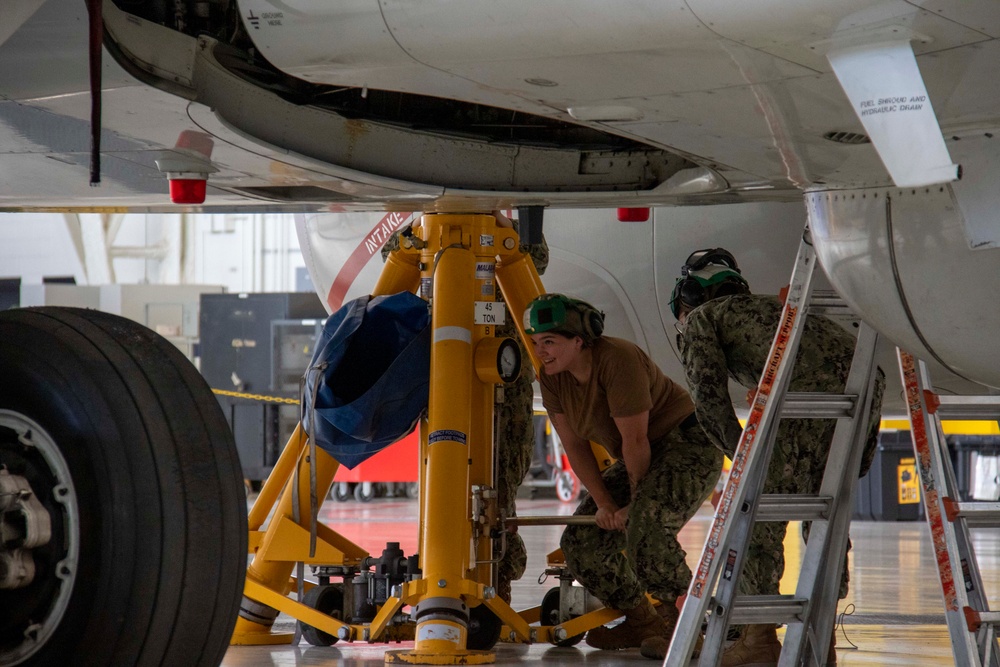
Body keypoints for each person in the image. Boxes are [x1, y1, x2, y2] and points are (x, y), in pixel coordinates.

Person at [671, 248, 885, 666]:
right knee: (826, 514)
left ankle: (759, 638)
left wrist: (742, 460)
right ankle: (822, 643)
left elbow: (709, 401)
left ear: (686, 302)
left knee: (758, 517)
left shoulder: (701, 320)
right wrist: (860, 458)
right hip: (863, 388)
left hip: (804, 394)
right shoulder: (775, 310)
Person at [524, 293, 724, 660]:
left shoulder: (618, 358)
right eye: (536, 342)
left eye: (549, 341)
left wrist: (634, 502)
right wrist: (603, 502)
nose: (541, 350)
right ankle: (641, 620)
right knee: (581, 543)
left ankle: (684, 625)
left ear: (579, 340)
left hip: (687, 444)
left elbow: (634, 440)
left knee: (646, 527)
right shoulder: (552, 378)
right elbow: (575, 446)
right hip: (643, 452)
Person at [381, 211, 547, 605]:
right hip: (448, 371)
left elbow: (531, 258)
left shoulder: (507, 236)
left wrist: (498, 229)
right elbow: (396, 254)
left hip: (503, 378)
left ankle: (495, 586)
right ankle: (462, 578)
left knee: (499, 487)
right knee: (450, 479)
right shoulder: (424, 231)